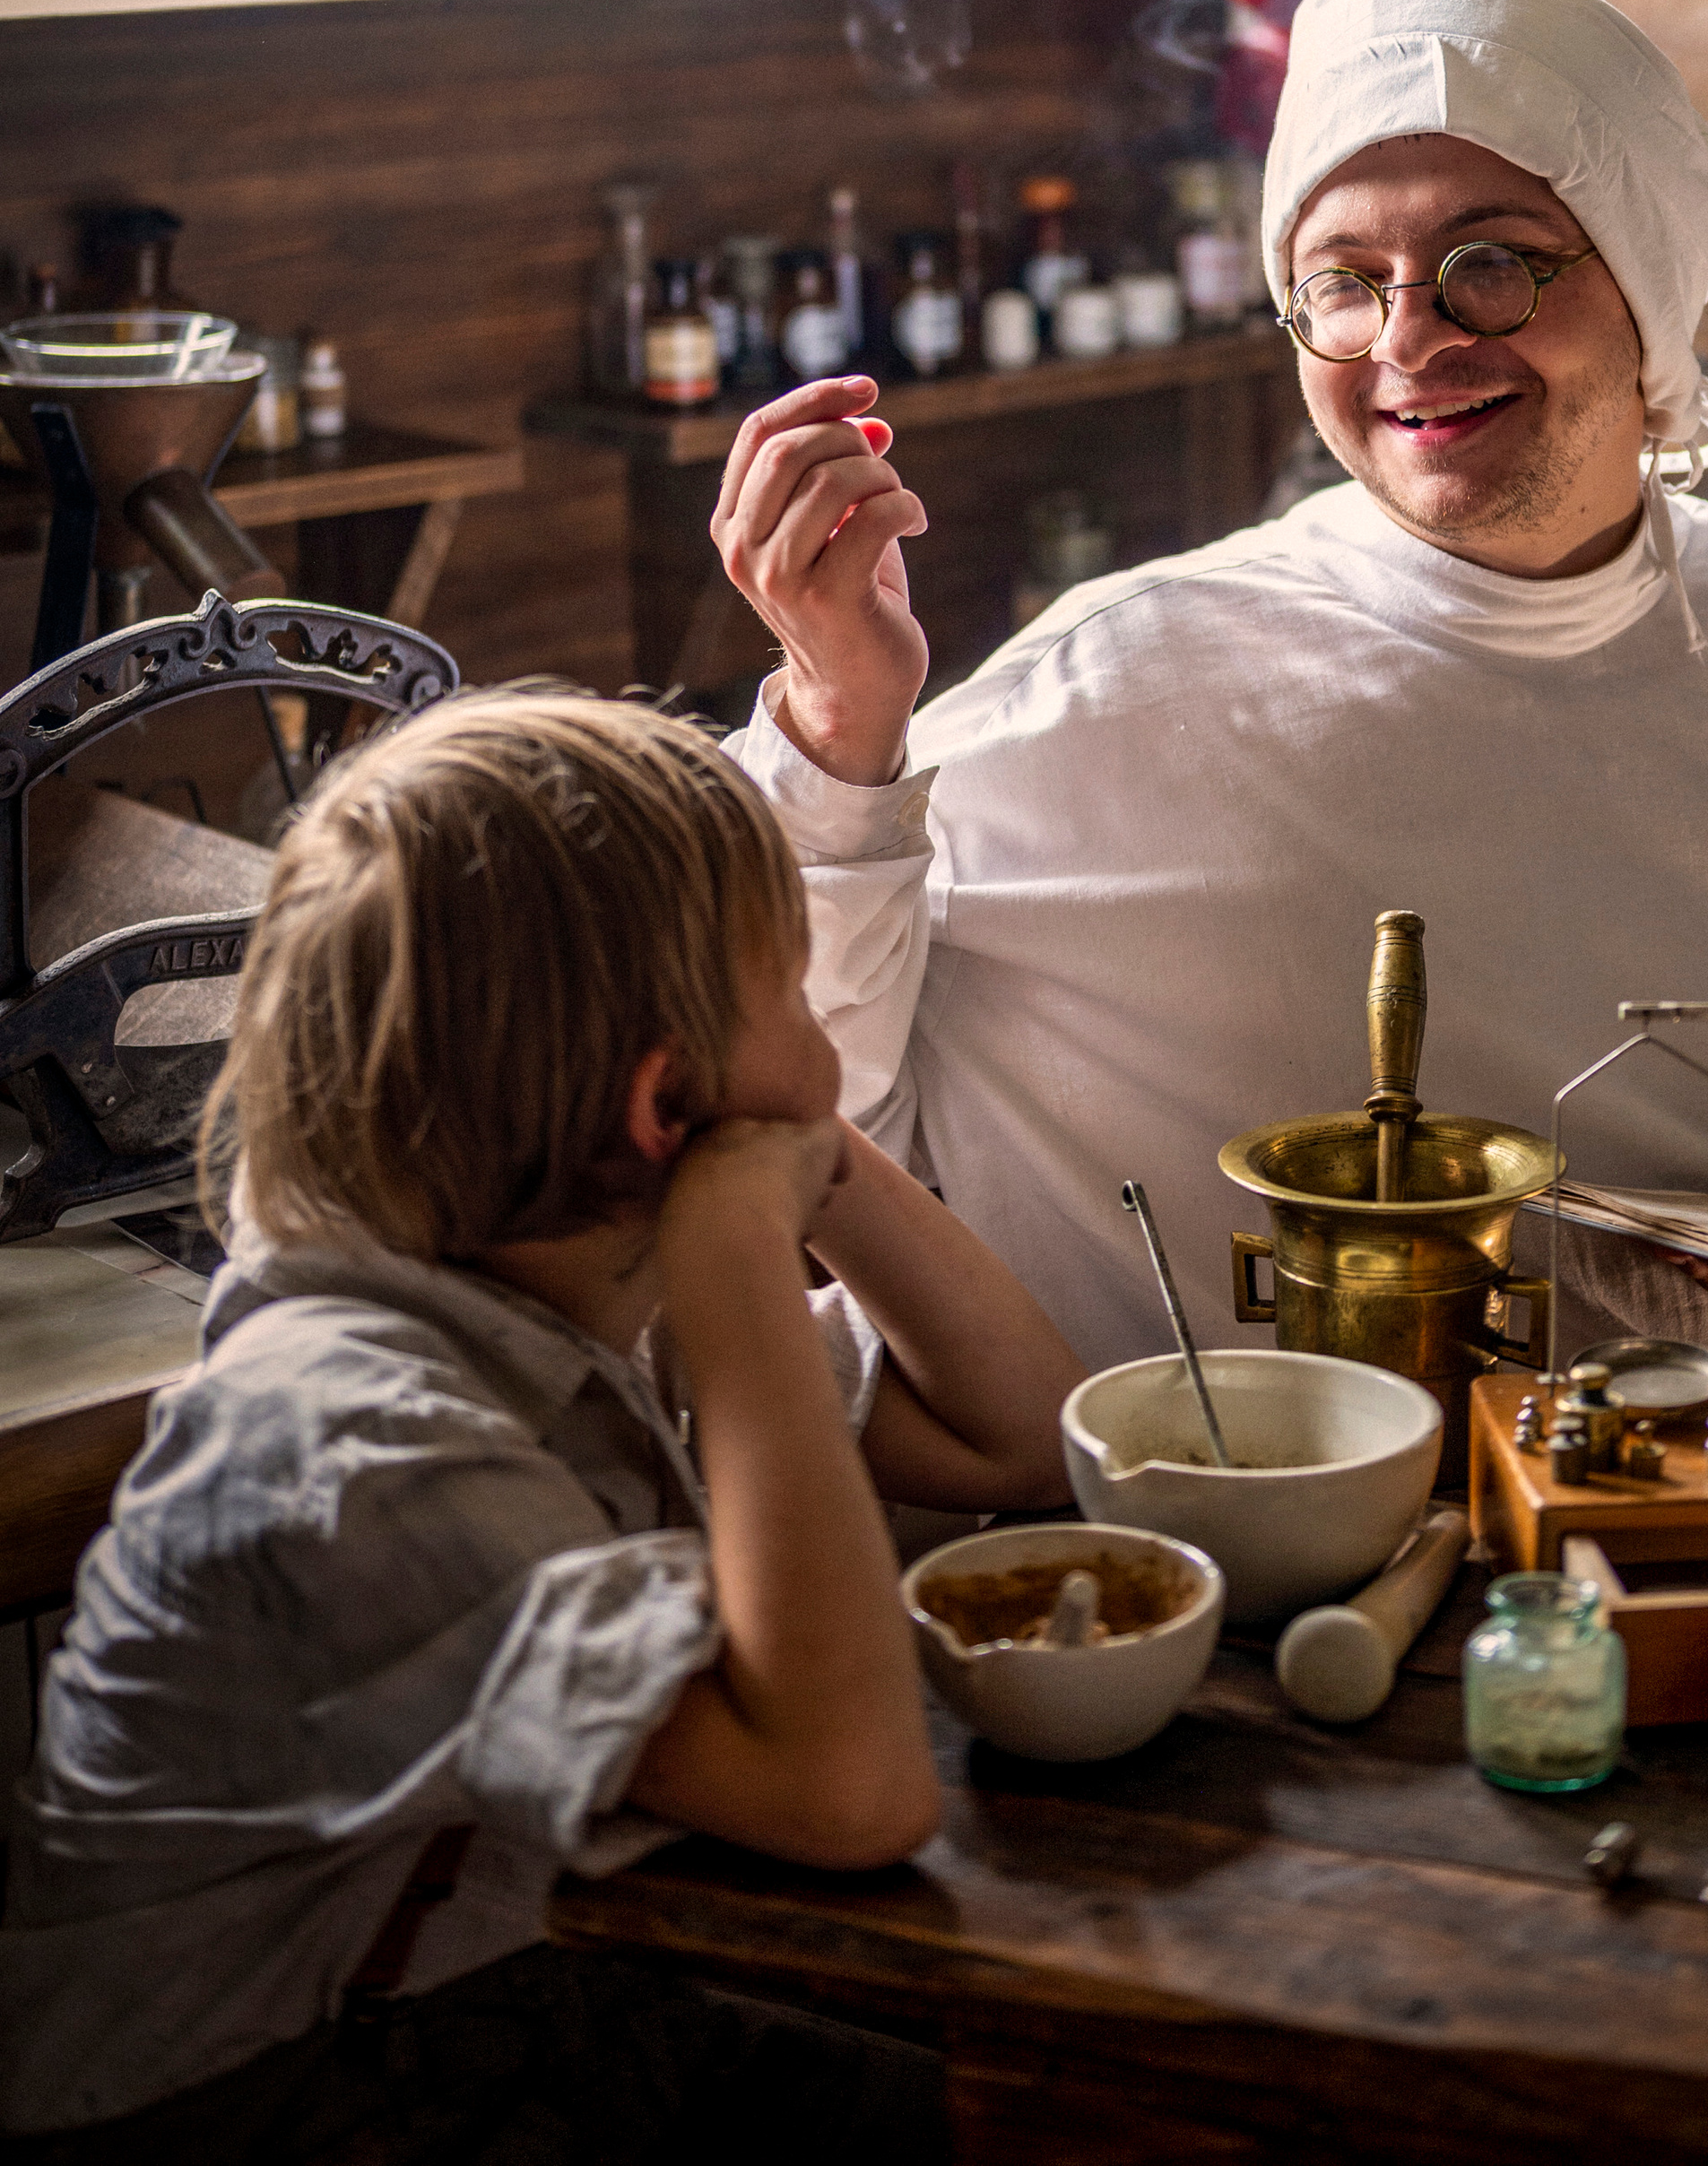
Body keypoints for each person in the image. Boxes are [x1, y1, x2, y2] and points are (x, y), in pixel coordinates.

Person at [711, 0, 1708, 1381]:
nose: (1409, 340)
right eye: (1343, 281)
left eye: (1487, 265)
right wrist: (837, 722)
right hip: (1235, 1546)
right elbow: (802, 1107)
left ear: (1648, 279)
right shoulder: (1103, 691)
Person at [0, 688, 1078, 2162]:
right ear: (662, 1103)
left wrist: (797, 1152)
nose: (821, 1034)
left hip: (513, 2010)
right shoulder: (353, 1444)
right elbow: (851, 1794)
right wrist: (743, 1266)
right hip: (268, 2108)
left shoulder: (546, 1288)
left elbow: (1019, 1435)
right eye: (799, 990)